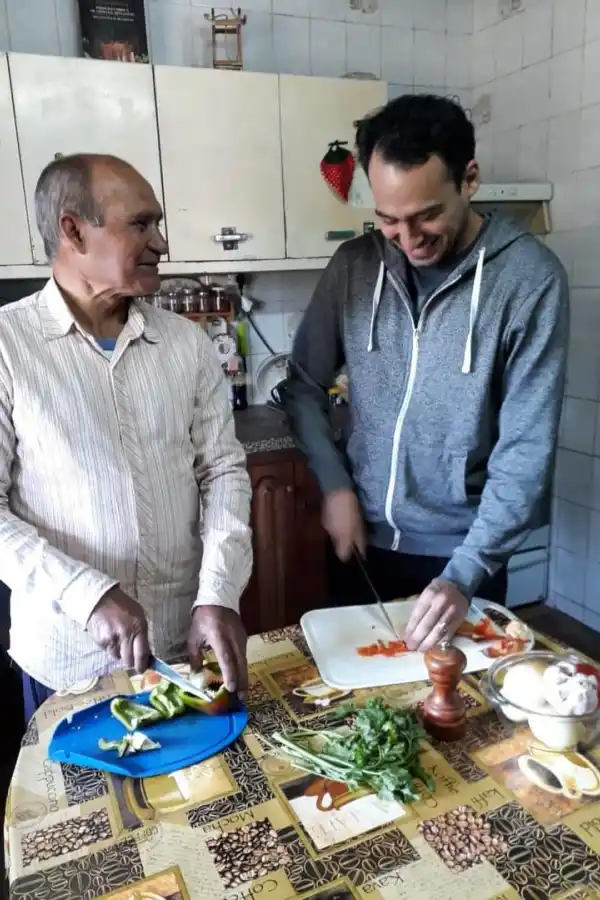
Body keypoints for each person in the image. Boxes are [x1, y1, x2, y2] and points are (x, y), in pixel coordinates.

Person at [285, 94, 569, 653]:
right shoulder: (354, 267)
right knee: (366, 717)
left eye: (426, 215)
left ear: (468, 180)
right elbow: (303, 384)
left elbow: (526, 448)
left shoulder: (530, 281)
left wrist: (466, 573)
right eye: (389, 219)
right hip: (363, 544)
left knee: (463, 717)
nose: (409, 239)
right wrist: (336, 485)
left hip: (465, 556)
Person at [0, 154, 252, 720]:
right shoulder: (8, 348)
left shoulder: (185, 344)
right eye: (140, 224)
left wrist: (217, 593)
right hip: (70, 668)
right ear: (73, 229)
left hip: (184, 648)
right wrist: (87, 593)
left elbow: (224, 471)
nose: (160, 243)